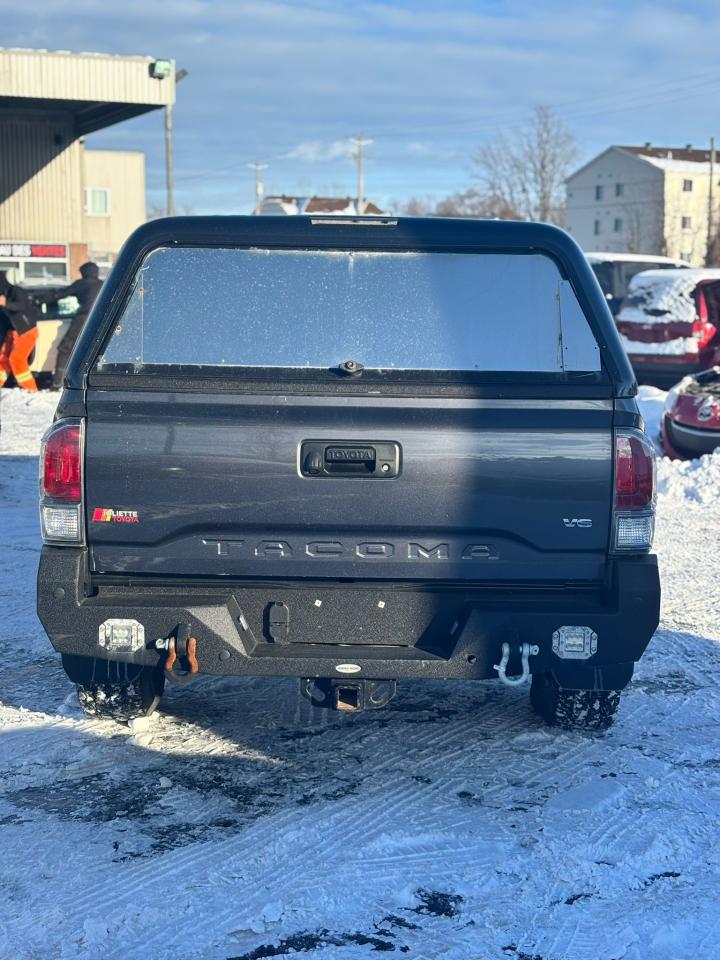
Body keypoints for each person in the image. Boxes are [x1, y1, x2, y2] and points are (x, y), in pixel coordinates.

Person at [46, 261, 103, 388]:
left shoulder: (82, 284)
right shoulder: (103, 284)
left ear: (84, 272)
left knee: (65, 349)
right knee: (96, 350)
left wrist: (42, 299)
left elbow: (60, 294)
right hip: (102, 319)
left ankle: (57, 382)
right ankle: (97, 381)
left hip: (84, 319)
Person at [0, 270, 40, 392]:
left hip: (25, 331)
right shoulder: (4, 292)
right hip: (11, 331)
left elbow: (21, 306)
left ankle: (30, 389)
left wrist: (5, 303)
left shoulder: (17, 291)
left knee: (16, 359)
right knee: (3, 358)